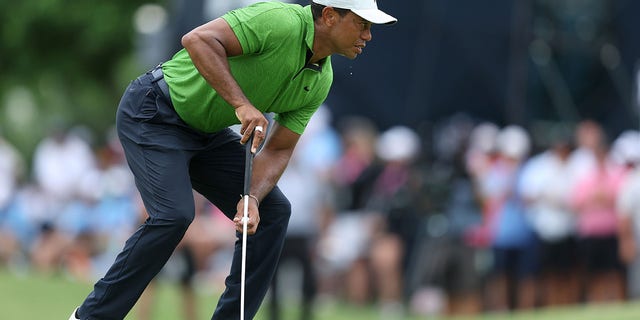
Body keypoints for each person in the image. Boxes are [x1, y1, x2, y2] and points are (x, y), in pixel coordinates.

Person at [69, 1, 396, 319]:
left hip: (205, 132)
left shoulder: (320, 79)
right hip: (155, 111)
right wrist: (241, 104)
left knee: (272, 211)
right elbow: (197, 40)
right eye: (362, 24)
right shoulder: (279, 20)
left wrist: (251, 197)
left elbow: (280, 148)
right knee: (174, 216)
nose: (368, 35)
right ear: (329, 16)